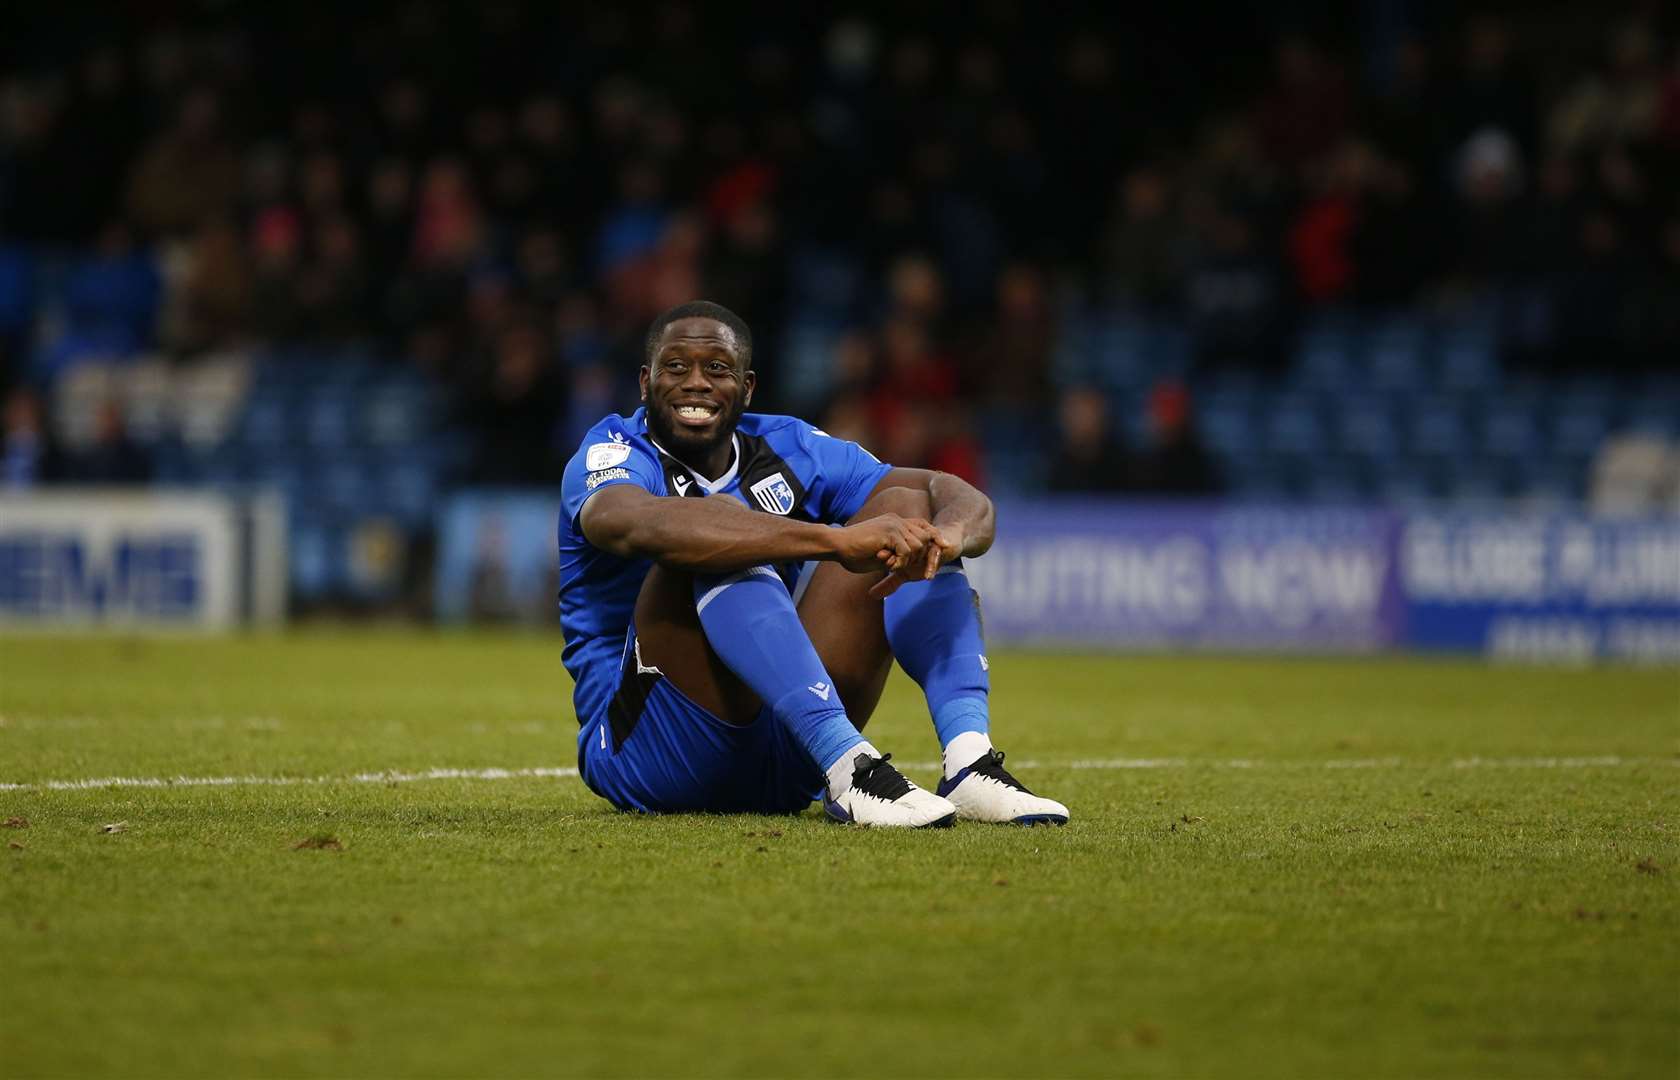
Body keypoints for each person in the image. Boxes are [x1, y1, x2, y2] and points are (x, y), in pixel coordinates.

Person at [557, 301, 1069, 828]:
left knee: (905, 511)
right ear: (645, 382)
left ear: (747, 387)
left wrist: (949, 535)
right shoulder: (612, 449)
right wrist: (832, 541)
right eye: (675, 367)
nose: (696, 383)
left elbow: (947, 490)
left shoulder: (787, 444)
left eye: (717, 369)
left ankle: (969, 761)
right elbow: (625, 522)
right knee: (719, 527)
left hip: (784, 752)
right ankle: (851, 768)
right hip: (649, 750)